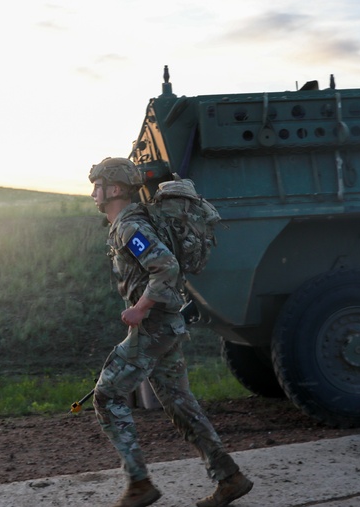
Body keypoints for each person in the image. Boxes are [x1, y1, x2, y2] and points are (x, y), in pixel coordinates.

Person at [88, 157, 254, 507]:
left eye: (97, 185)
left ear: (114, 189)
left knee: (106, 396)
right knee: (180, 404)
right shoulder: (130, 223)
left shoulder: (130, 228)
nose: (93, 193)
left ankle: (138, 484)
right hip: (165, 325)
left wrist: (139, 308)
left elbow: (166, 267)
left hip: (154, 326)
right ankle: (230, 477)